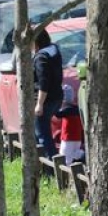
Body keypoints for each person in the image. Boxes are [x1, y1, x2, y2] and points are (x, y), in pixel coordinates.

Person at [33, 28, 64, 158]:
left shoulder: (41, 57)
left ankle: (50, 169)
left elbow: (43, 82)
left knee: (42, 135)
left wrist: (39, 103)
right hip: (57, 97)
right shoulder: (54, 51)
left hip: (46, 100)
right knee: (44, 132)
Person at [54, 84, 84, 165]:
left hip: (68, 138)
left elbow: (57, 114)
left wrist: (55, 104)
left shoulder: (67, 110)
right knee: (74, 154)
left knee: (64, 157)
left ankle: (65, 175)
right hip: (78, 138)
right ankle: (82, 154)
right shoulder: (77, 109)